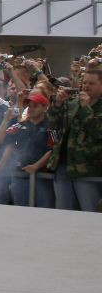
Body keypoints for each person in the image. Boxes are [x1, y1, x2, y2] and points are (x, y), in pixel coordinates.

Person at [47, 68, 102, 211]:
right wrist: (58, 104)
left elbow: (98, 133)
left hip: (87, 168)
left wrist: (86, 108)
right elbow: (51, 125)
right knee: (63, 211)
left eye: (92, 83)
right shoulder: (72, 103)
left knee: (89, 211)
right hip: (63, 165)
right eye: (85, 82)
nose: (86, 86)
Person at [0, 92, 54, 208]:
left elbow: (52, 150)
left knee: (44, 211)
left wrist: (36, 166)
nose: (31, 108)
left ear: (45, 108)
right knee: (21, 210)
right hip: (20, 174)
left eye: (35, 106)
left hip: (43, 176)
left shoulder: (51, 127)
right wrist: (6, 120)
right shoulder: (20, 125)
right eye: (29, 106)